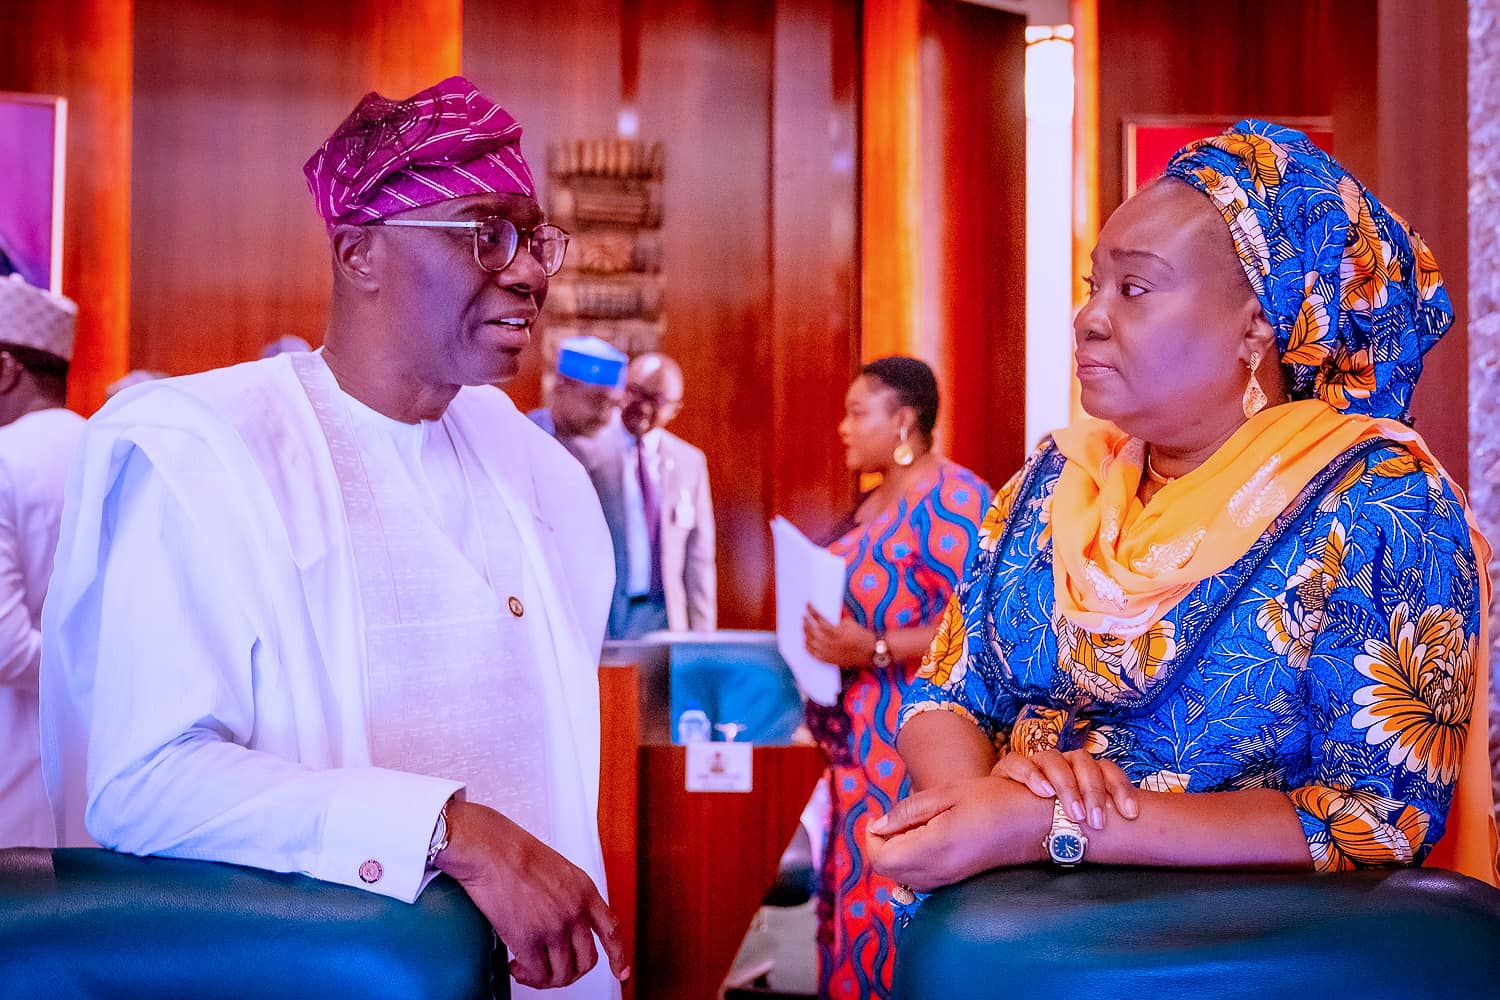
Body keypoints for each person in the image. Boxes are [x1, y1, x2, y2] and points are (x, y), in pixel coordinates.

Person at [40, 77, 629, 997]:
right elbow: (144, 781)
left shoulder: (532, 465)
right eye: (487, 234)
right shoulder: (216, 451)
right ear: (359, 251)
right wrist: (446, 830)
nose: (528, 272)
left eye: (535, 238)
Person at [868, 121, 1497, 905]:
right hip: (1013, 936)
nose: (1089, 318)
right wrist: (974, 811)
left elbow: (1375, 817)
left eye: (1134, 289)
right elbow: (947, 691)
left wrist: (1058, 822)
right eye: (1094, 285)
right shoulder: (1055, 479)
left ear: (1258, 323)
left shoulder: (1382, 504)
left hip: (1234, 956)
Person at [799, 356, 991, 999]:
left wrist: (872, 647)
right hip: (855, 737)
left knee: (895, 897)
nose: (843, 428)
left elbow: (980, 625)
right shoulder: (878, 496)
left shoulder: (956, 498)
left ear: (903, 419)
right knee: (852, 897)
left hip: (912, 738)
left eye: (858, 413)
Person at [0, 274, 83, 847]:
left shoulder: (4, 459)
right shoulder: (110, 446)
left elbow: (5, 648)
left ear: (7, 369)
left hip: (14, 769)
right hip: (105, 768)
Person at [584, 352, 715, 639]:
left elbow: (699, 558)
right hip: (608, 617)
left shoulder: (690, 462)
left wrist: (704, 639)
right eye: (635, 392)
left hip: (667, 617)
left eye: (655, 399)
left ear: (675, 408)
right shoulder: (587, 454)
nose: (642, 406)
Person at [527, 335, 627, 454]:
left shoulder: (611, 452)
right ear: (561, 386)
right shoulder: (525, 434)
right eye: (597, 401)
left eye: (612, 406)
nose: (604, 418)